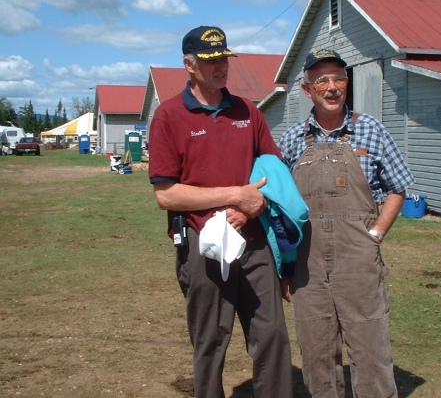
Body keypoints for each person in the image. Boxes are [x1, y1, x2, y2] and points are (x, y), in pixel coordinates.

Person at [148, 26, 293, 398]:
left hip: (254, 238)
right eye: (212, 60)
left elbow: (272, 168)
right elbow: (166, 195)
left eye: (224, 59)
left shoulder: (248, 111)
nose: (221, 67)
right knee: (211, 338)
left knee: (272, 333)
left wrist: (250, 207)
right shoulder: (168, 116)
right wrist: (234, 196)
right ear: (189, 64)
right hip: (202, 241)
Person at [278, 49, 415, 398]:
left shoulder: (370, 130)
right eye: (321, 80)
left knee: (370, 347)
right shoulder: (292, 139)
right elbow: (281, 203)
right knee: (316, 349)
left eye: (338, 78)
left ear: (346, 83)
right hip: (307, 262)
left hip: (359, 258)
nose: (331, 87)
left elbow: (398, 187)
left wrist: (376, 233)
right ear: (307, 90)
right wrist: (286, 262)